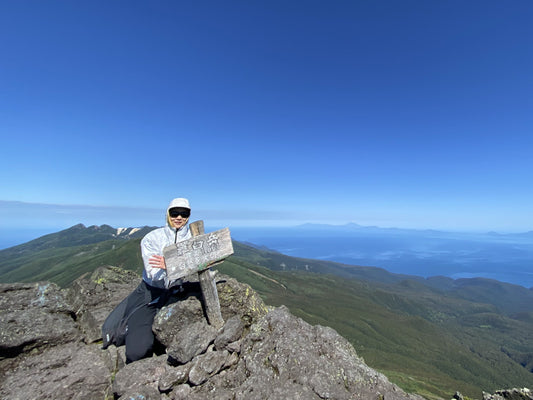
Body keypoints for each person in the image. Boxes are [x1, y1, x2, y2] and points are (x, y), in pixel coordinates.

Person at [124, 197, 192, 363]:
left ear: (189, 216)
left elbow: (205, 263)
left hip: (177, 291)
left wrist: (171, 264)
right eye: (174, 212)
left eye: (184, 213)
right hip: (151, 293)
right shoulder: (152, 238)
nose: (179, 217)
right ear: (167, 214)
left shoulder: (193, 238)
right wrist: (180, 264)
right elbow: (154, 272)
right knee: (136, 352)